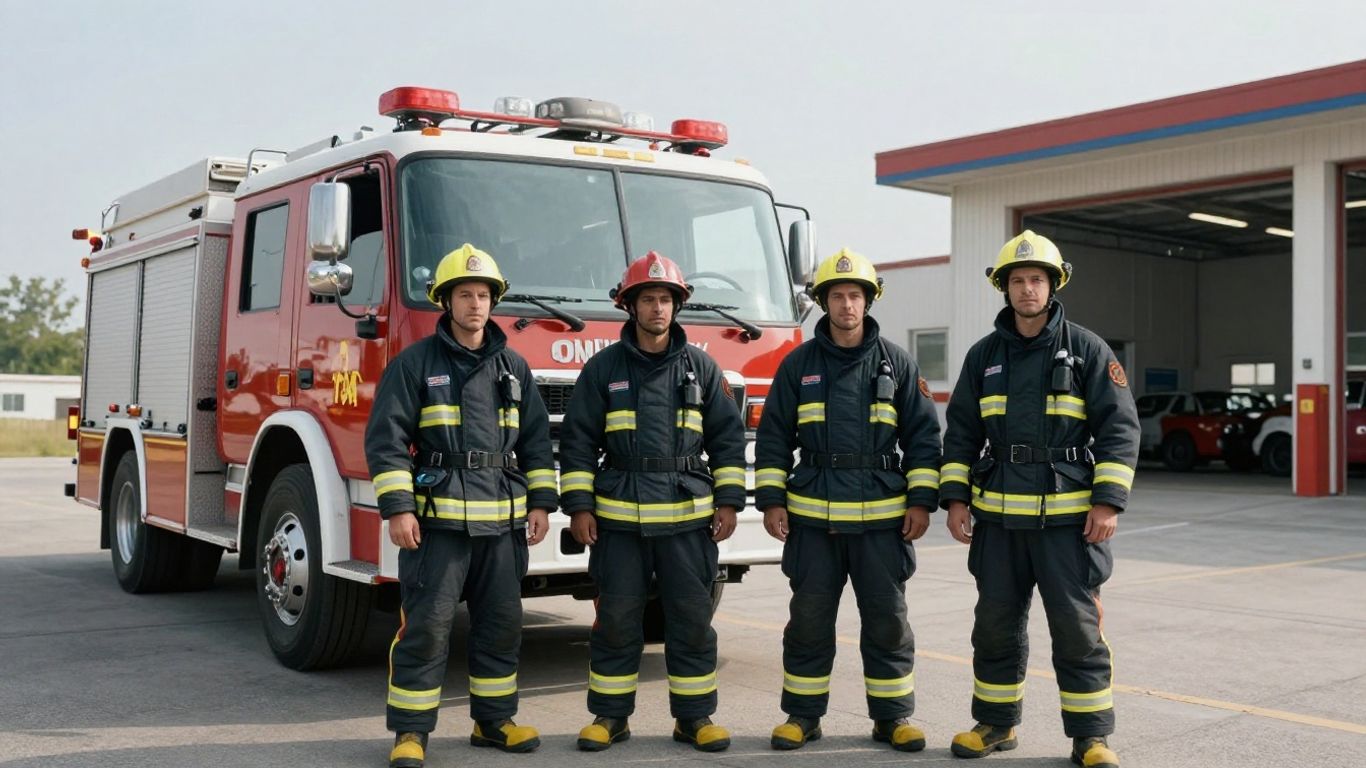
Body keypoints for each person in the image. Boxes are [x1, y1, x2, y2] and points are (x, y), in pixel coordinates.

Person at [941, 231, 1139, 768]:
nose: (1027, 289)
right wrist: (955, 500)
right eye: (1018, 280)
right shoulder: (983, 356)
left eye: (1037, 279)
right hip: (999, 523)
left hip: (1069, 526)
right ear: (1004, 288)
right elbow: (961, 434)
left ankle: (1091, 737)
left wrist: (1108, 502)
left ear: (1053, 286)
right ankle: (995, 724)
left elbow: (1120, 429)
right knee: (995, 628)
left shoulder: (1088, 350)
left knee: (1078, 632)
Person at [365, 244, 558, 768]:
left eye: (483, 295)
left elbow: (536, 442)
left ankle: (493, 723)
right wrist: (398, 508)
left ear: (494, 302)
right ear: (445, 301)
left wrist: (542, 503)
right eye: (465, 294)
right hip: (438, 527)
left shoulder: (513, 366)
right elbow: (386, 440)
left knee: (501, 625)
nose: (475, 304)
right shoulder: (415, 364)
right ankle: (410, 732)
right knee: (426, 629)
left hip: (502, 528)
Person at [557, 251, 748, 753]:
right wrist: (579, 506)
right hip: (619, 524)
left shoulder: (702, 369)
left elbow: (727, 441)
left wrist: (729, 501)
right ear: (630, 306)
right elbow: (577, 442)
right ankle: (610, 717)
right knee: (616, 623)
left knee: (691, 623)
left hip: (687, 525)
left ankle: (695, 718)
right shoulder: (603, 369)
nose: (657, 308)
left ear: (677, 305)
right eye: (647, 299)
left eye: (665, 299)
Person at [754, 248, 942, 752]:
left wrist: (921, 501)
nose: (846, 305)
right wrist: (772, 499)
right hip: (813, 524)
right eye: (836, 296)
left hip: (882, 525)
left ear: (868, 300)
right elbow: (773, 438)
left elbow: (924, 439)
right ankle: (802, 716)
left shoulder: (898, 364)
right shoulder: (798, 366)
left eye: (855, 295)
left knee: (887, 623)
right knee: (808, 623)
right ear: (823, 302)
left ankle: (893, 717)